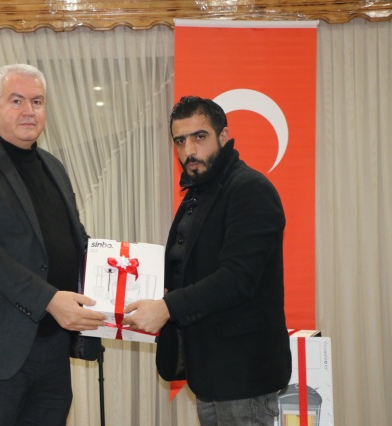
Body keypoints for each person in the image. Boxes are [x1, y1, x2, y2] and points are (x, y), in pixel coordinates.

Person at [0, 63, 106, 426]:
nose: (29, 110)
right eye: (17, 100)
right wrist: (49, 299)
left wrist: (125, 276)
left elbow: (74, 240)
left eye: (37, 101)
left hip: (52, 347)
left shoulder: (54, 167)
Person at [122, 96, 292, 425]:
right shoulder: (199, 194)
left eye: (199, 137)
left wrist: (166, 307)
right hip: (208, 372)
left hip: (245, 374)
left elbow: (237, 278)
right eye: (180, 141)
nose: (189, 150)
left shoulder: (250, 189)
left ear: (223, 136)